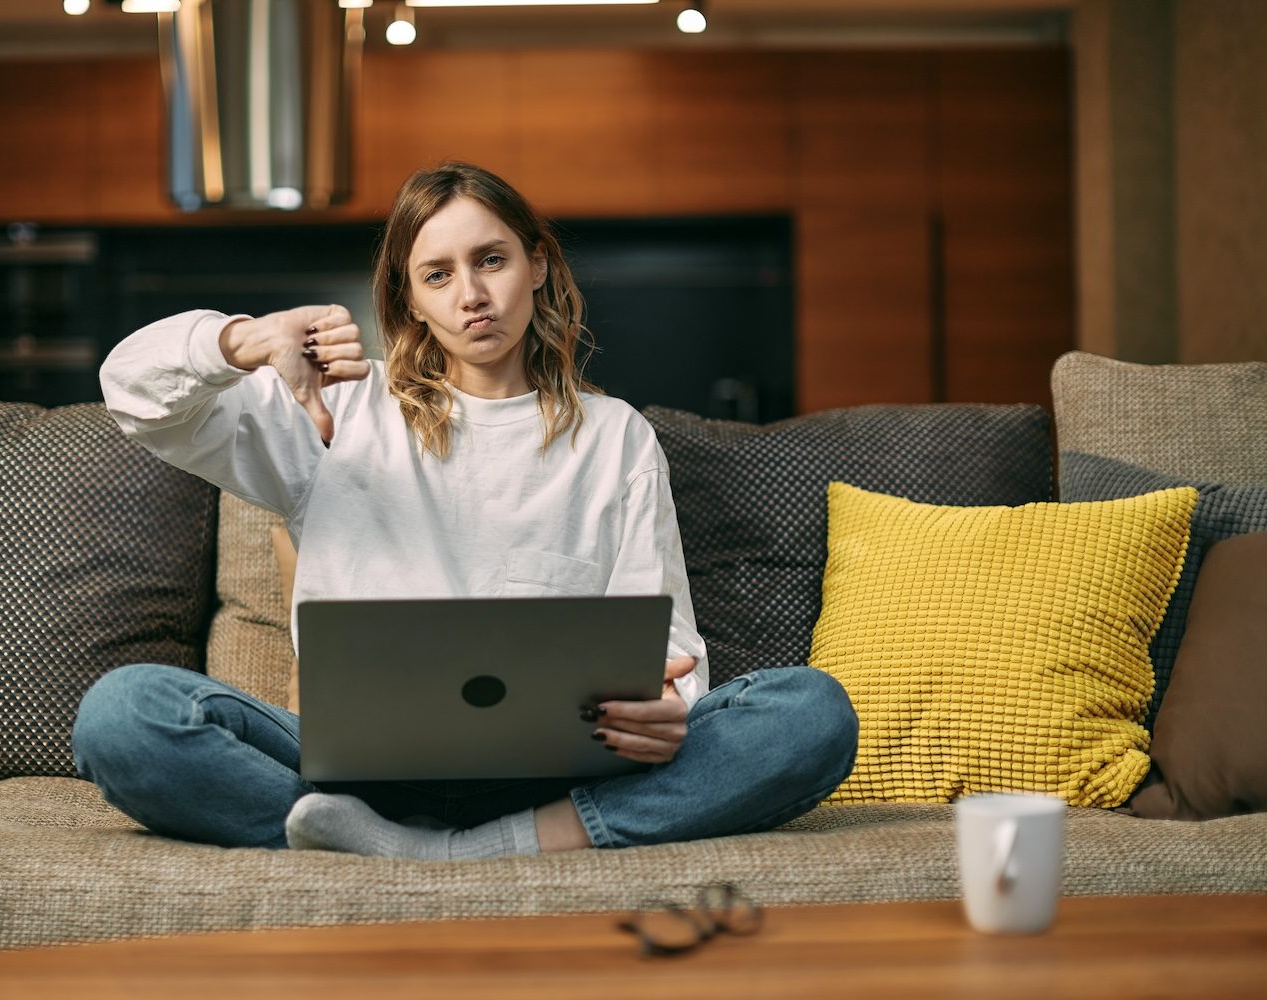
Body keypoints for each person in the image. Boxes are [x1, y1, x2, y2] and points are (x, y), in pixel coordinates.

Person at [72, 161, 857, 860]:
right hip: (352, 773)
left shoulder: (615, 437)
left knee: (810, 714)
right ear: (409, 301)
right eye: (438, 275)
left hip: (552, 778)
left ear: (538, 265)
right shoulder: (338, 409)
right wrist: (244, 340)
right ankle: (366, 832)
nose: (473, 296)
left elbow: (672, 645)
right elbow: (135, 396)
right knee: (124, 712)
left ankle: (461, 848)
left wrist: (667, 710)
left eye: (491, 260)